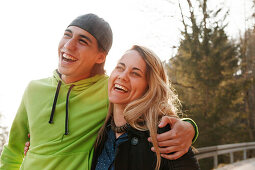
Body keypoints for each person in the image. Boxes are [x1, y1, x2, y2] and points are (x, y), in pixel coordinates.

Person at [0, 14, 198, 170]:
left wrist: (189, 127)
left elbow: (154, 105)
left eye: (82, 41)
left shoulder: (112, 90)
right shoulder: (34, 89)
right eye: (67, 34)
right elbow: (13, 150)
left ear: (100, 56)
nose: (68, 45)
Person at [91, 45, 200, 170]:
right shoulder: (100, 130)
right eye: (120, 68)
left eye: (135, 73)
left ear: (149, 88)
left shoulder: (163, 135)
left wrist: (189, 128)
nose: (122, 76)